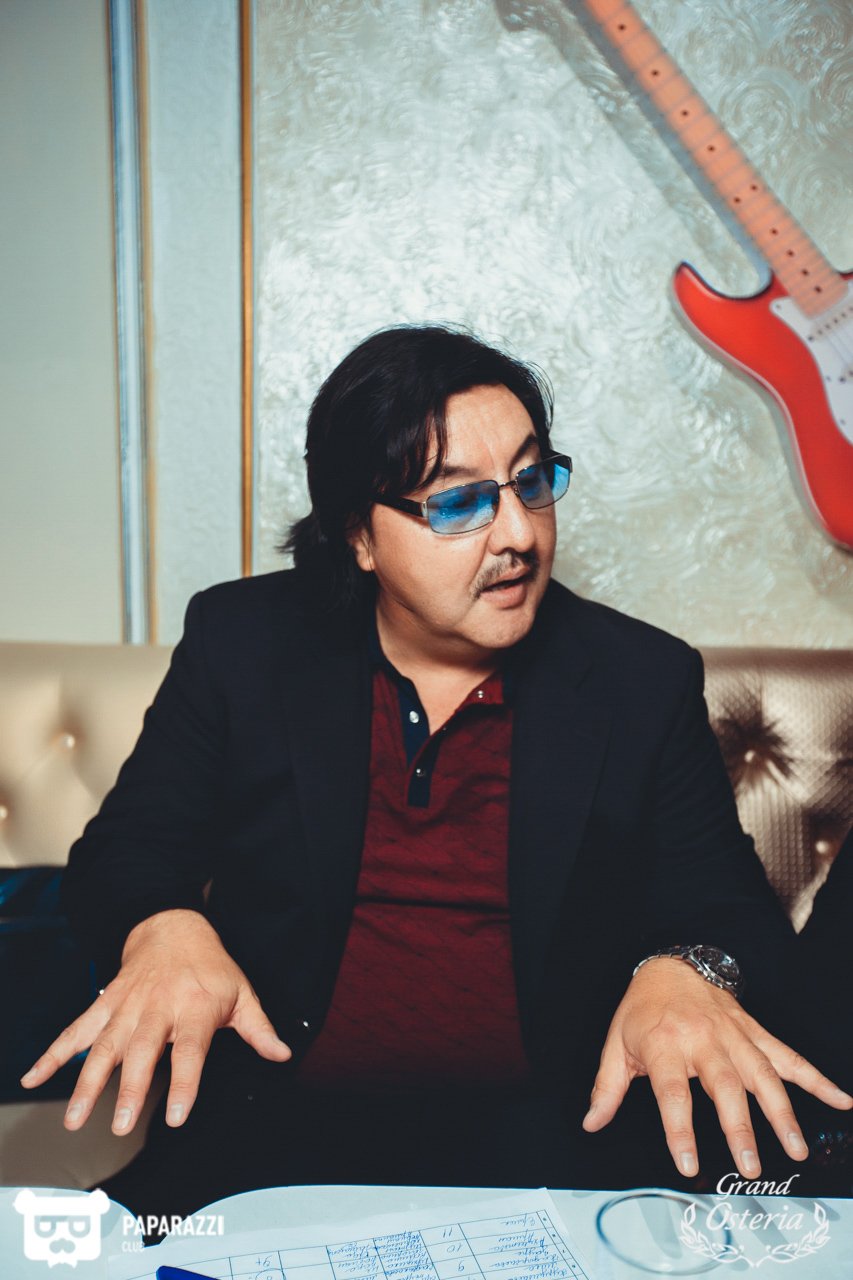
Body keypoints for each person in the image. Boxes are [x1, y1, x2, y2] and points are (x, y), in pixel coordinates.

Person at [21, 325, 851, 1216]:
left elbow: (731, 913)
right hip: (271, 1138)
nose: (518, 534)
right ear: (359, 536)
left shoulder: (636, 678)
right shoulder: (245, 644)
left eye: (531, 482)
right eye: (457, 504)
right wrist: (165, 928)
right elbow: (127, 852)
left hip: (549, 1152)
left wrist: (683, 969)